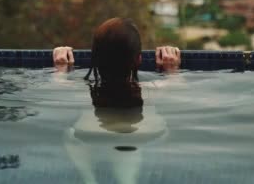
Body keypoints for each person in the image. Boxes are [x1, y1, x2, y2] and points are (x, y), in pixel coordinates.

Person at [54, 17, 181, 183]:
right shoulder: (155, 89)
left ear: (94, 59)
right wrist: (172, 70)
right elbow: (179, 88)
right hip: (145, 134)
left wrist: (60, 69)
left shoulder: (79, 91)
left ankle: (88, 179)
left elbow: (58, 86)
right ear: (139, 60)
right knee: (132, 140)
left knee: (70, 135)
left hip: (89, 133)